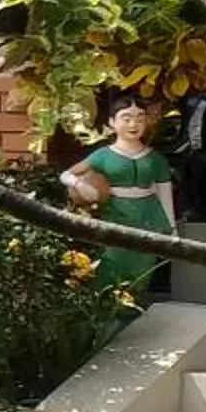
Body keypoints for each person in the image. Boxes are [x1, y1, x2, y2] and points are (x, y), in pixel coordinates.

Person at [60, 92, 176, 285]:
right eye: (126, 118)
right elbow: (66, 174)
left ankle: (134, 300)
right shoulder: (103, 155)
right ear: (112, 122)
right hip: (114, 214)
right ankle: (108, 301)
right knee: (111, 262)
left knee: (142, 266)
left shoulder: (156, 159)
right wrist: (80, 185)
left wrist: (171, 229)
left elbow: (164, 193)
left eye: (140, 119)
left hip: (148, 217)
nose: (133, 124)